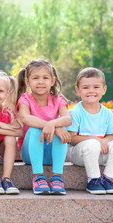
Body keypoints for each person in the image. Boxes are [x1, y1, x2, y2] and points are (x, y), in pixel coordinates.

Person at [67, 67, 113, 194]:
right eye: (86, 87)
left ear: (104, 90)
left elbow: (111, 136)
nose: (91, 91)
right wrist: (94, 140)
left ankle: (107, 179)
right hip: (79, 155)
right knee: (93, 144)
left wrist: (103, 141)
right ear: (78, 90)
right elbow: (71, 138)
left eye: (96, 87)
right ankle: (93, 180)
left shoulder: (107, 113)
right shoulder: (75, 112)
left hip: (100, 154)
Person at [16, 59, 72, 195]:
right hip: (30, 154)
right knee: (35, 129)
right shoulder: (25, 99)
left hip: (51, 154)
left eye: (45, 78)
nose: (40, 82)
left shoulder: (58, 99)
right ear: (27, 81)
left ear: (52, 81)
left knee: (61, 131)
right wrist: (49, 125)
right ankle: (38, 177)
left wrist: (53, 125)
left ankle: (57, 177)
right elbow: (25, 118)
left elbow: (68, 119)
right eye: (35, 78)